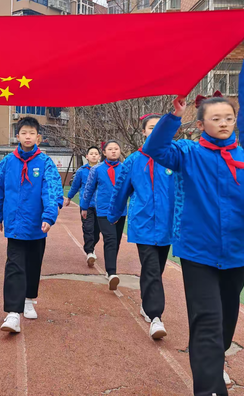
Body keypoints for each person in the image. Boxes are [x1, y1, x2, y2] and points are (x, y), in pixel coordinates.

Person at [143, 87, 244, 396]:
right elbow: (155, 148)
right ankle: (209, 389)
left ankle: (216, 361)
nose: (224, 123)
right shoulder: (187, 153)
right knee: (207, 321)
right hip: (198, 252)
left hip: (237, 254)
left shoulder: (242, 156)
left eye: (229, 118)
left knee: (226, 320)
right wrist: (174, 116)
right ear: (201, 124)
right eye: (216, 118)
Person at [0, 117, 63, 333]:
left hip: (37, 224)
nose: (28, 136)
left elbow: (52, 191)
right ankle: (13, 313)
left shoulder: (45, 163)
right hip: (14, 223)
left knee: (33, 264)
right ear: (17, 136)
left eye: (32, 133)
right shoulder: (7, 162)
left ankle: (30, 298)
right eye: (24, 133)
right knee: (14, 265)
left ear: (38, 137)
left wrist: (48, 216)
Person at [108, 115, 174, 340]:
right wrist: (115, 213)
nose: (156, 132)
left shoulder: (174, 159)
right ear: (144, 132)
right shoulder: (134, 160)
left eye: (160, 128)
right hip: (143, 224)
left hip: (167, 225)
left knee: (155, 269)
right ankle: (156, 317)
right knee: (152, 268)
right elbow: (121, 189)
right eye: (152, 128)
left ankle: (147, 304)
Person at [81, 140, 126, 291]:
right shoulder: (97, 170)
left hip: (121, 211)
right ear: (104, 153)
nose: (114, 151)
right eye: (110, 149)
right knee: (110, 239)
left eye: (116, 148)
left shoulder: (126, 168)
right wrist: (84, 207)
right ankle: (112, 272)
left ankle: (110, 268)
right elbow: (88, 189)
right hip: (103, 211)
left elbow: (132, 187)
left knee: (117, 241)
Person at [64, 146, 101, 267]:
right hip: (86, 205)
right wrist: (69, 198)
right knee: (88, 228)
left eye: (96, 153)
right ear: (87, 156)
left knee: (97, 231)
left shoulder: (102, 170)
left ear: (100, 156)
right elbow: (75, 186)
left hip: (101, 205)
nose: (94, 155)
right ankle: (89, 252)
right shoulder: (81, 171)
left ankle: (92, 246)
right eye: (92, 153)